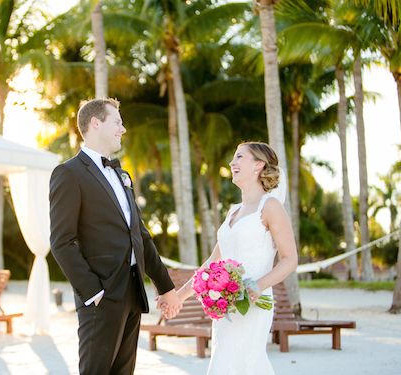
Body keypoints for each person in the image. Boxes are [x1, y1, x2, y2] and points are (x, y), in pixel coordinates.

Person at [49, 98, 182, 375]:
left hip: (132, 291)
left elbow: (140, 236)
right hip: (102, 293)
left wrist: (165, 287)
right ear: (96, 123)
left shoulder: (122, 174)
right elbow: (62, 240)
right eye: (117, 122)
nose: (123, 129)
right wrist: (92, 292)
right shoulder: (68, 173)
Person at [175, 141, 298, 374]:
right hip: (226, 306)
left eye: (240, 157)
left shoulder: (270, 207)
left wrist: (259, 285)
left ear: (258, 165)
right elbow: (212, 263)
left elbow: (290, 258)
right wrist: (181, 296)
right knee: (224, 362)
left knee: (248, 362)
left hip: (254, 302)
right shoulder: (233, 211)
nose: (232, 163)